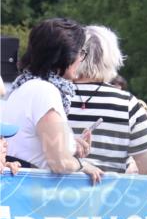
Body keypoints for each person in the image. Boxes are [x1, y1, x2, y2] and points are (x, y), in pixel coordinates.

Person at [3, 18, 102, 183]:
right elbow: (59, 162)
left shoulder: (24, 87)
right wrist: (82, 164)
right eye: (81, 52)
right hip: (34, 196)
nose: (81, 59)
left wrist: (69, 145)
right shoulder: (45, 91)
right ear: (66, 55)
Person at [68, 25, 147, 175]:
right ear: (113, 58)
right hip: (109, 196)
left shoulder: (54, 96)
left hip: (53, 195)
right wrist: (128, 168)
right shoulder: (127, 104)